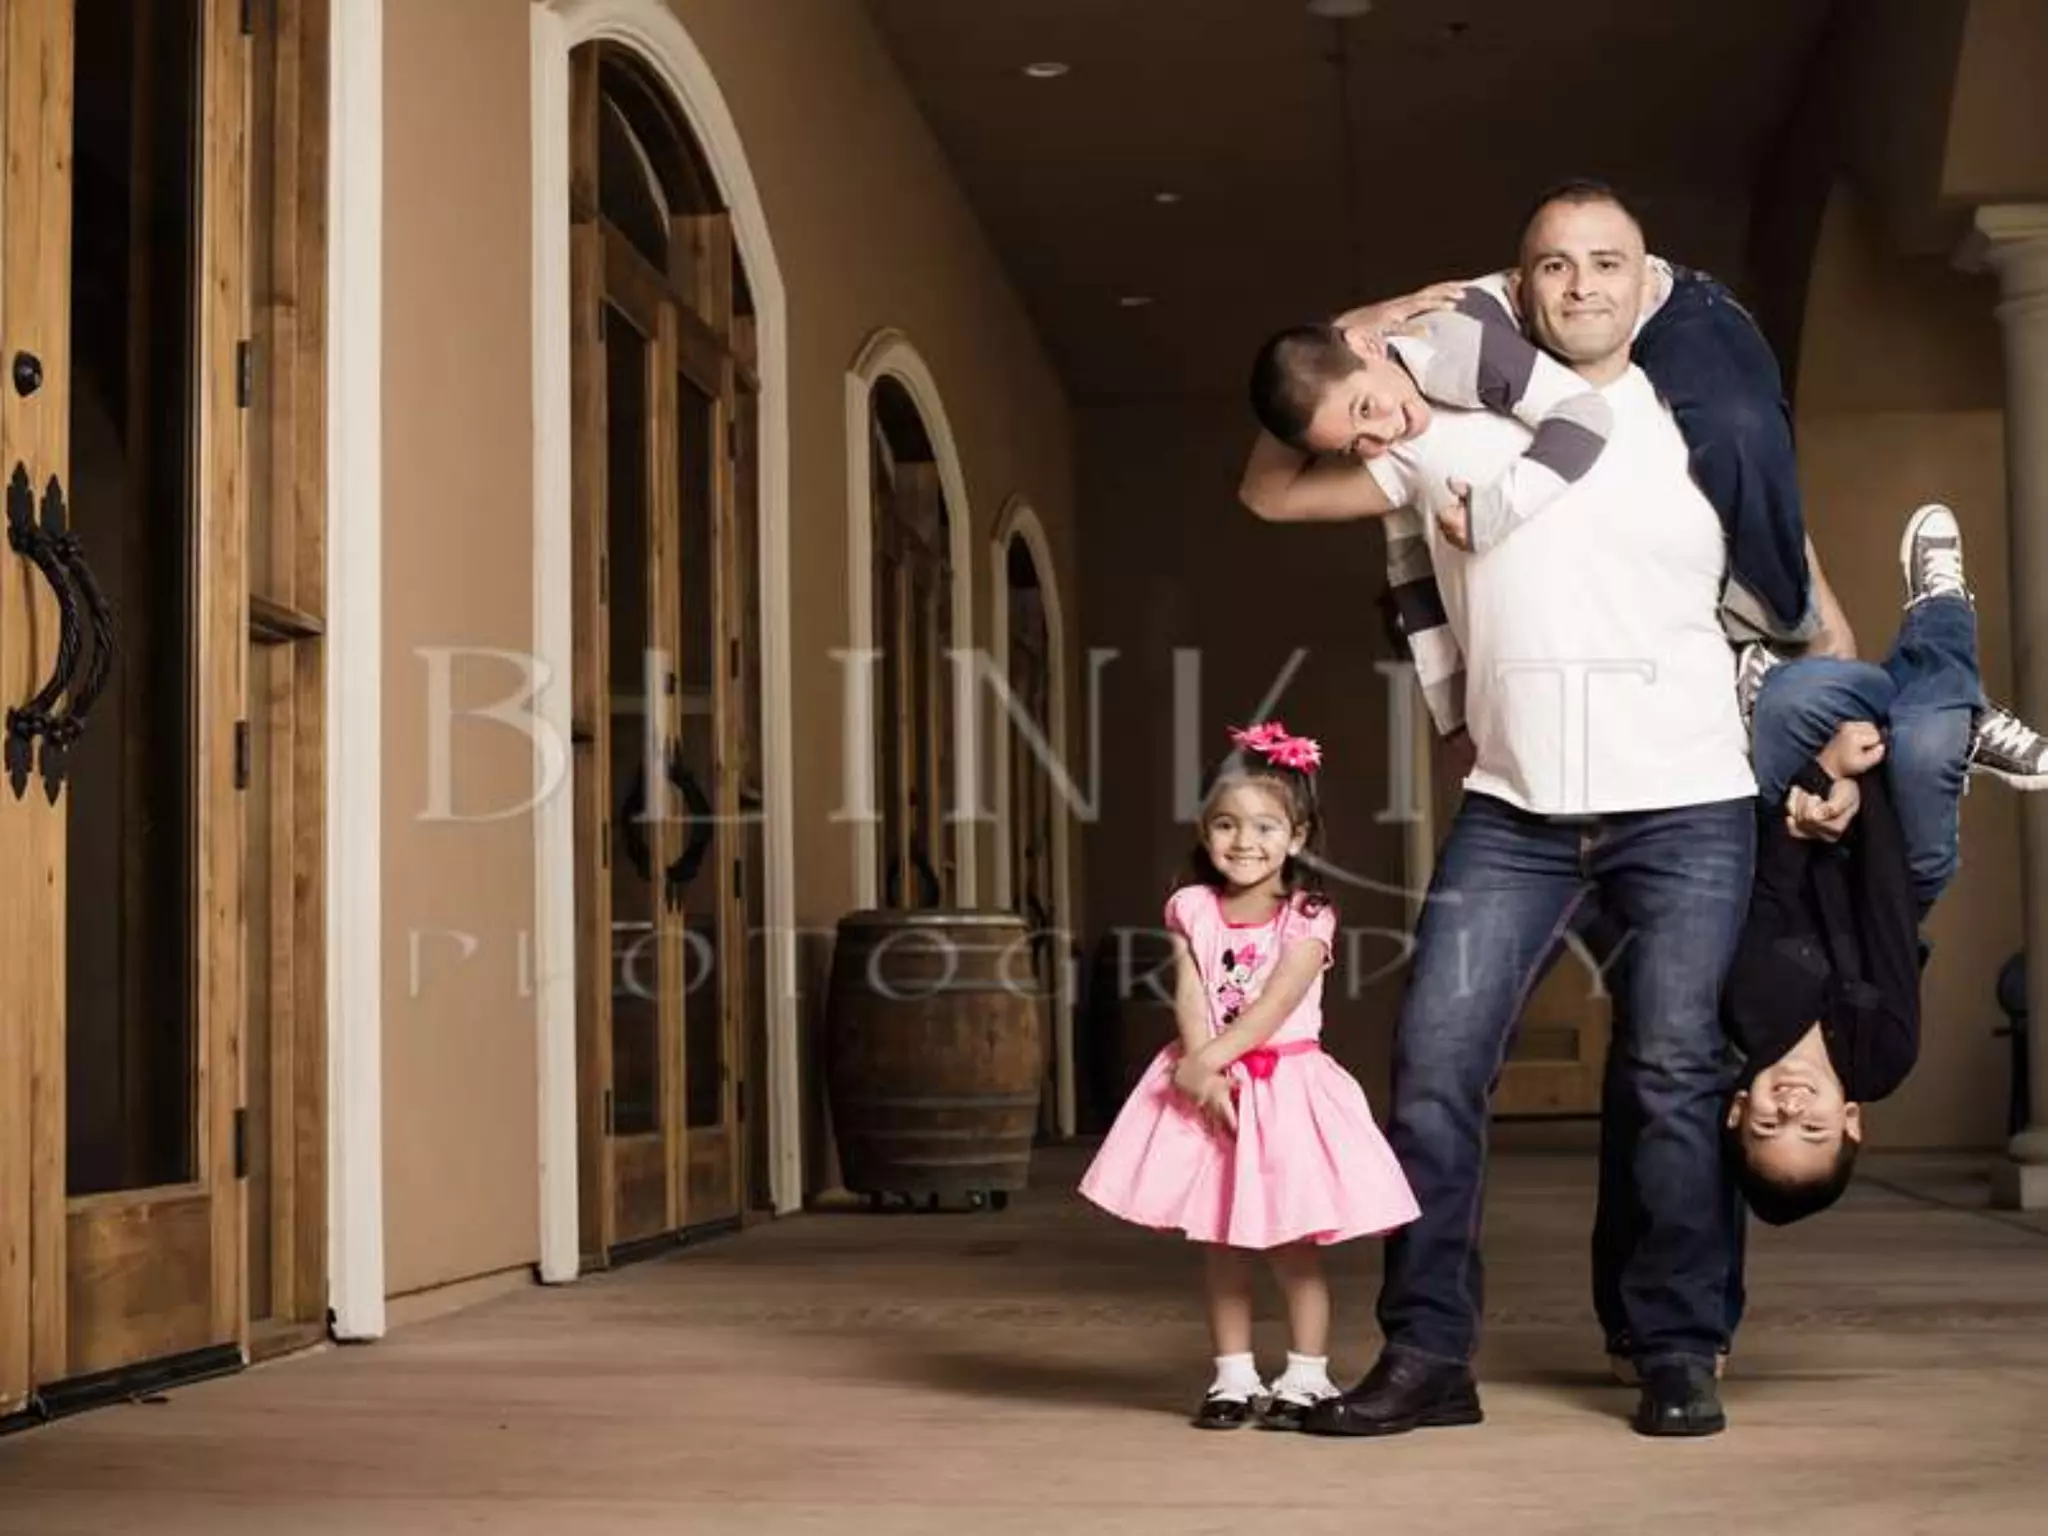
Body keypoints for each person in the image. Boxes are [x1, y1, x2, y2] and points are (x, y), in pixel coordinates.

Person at [1242, 182, 1753, 1437]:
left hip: (1687, 801)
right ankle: (1426, 1355)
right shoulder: (1423, 428)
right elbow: (1266, 491)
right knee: (1431, 1071)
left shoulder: (1690, 413)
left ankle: (1674, 1348)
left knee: (1672, 1078)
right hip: (1514, 812)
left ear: (1643, 285)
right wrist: (1359, 327)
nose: (1581, 287)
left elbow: (1783, 573)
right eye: (1553, 268)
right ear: (1516, 289)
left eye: (1606, 265)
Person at [1078, 723, 1418, 1431]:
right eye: (1226, 824)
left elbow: (1274, 1006)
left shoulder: (1308, 919)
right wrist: (1199, 1067)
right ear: (1205, 831)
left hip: (1284, 1091)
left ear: (1297, 837)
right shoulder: (1191, 908)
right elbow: (1191, 991)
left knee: (1292, 1244)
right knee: (1222, 1242)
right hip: (1209, 1088)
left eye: (1266, 826)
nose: (1244, 841)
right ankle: (1232, 1376)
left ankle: (1307, 1375)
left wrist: (1208, 1062)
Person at [1723, 504, 2048, 1224]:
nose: (1792, 1107)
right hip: (1899, 866)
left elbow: (1770, 891)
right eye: (1812, 1128)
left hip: (1800, 824)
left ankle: (1956, 708)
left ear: (1739, 1108)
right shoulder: (1884, 1055)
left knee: (1800, 701)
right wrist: (1859, 787)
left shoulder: (1745, 1012)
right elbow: (1887, 913)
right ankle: (1943, 624)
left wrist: (1822, 773)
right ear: (1851, 1121)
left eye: (1769, 1123)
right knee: (1925, 744)